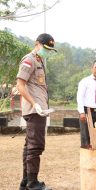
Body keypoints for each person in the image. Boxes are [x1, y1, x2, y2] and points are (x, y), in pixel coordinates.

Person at [16, 33, 57, 190]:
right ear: (37, 44)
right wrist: (35, 104)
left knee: (29, 146)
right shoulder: (29, 60)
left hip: (39, 110)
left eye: (50, 50)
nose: (47, 51)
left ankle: (26, 182)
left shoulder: (39, 60)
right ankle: (33, 183)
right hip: (34, 110)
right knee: (36, 146)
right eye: (46, 48)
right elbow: (20, 85)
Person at [77, 59, 96, 149]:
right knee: (86, 137)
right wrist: (81, 112)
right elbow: (80, 97)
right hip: (87, 111)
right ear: (92, 68)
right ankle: (86, 158)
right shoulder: (85, 81)